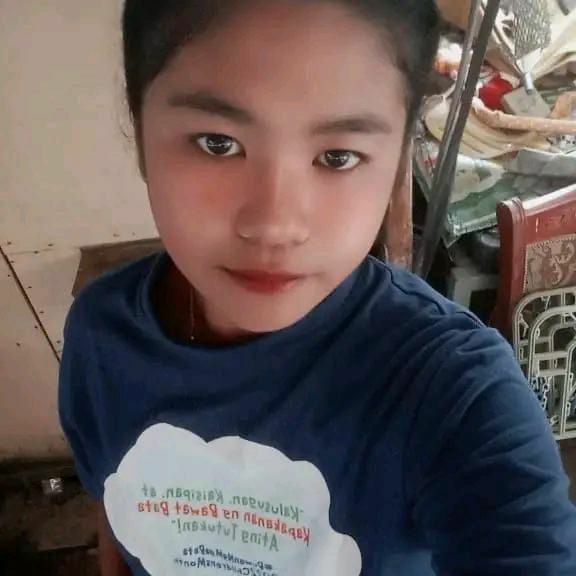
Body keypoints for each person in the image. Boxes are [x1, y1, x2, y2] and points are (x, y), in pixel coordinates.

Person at [59, 1, 576, 575]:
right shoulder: (101, 338)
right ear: (140, 133)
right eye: (217, 143)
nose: (275, 225)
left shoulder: (452, 394)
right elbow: (117, 512)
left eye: (337, 156)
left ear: (398, 158)